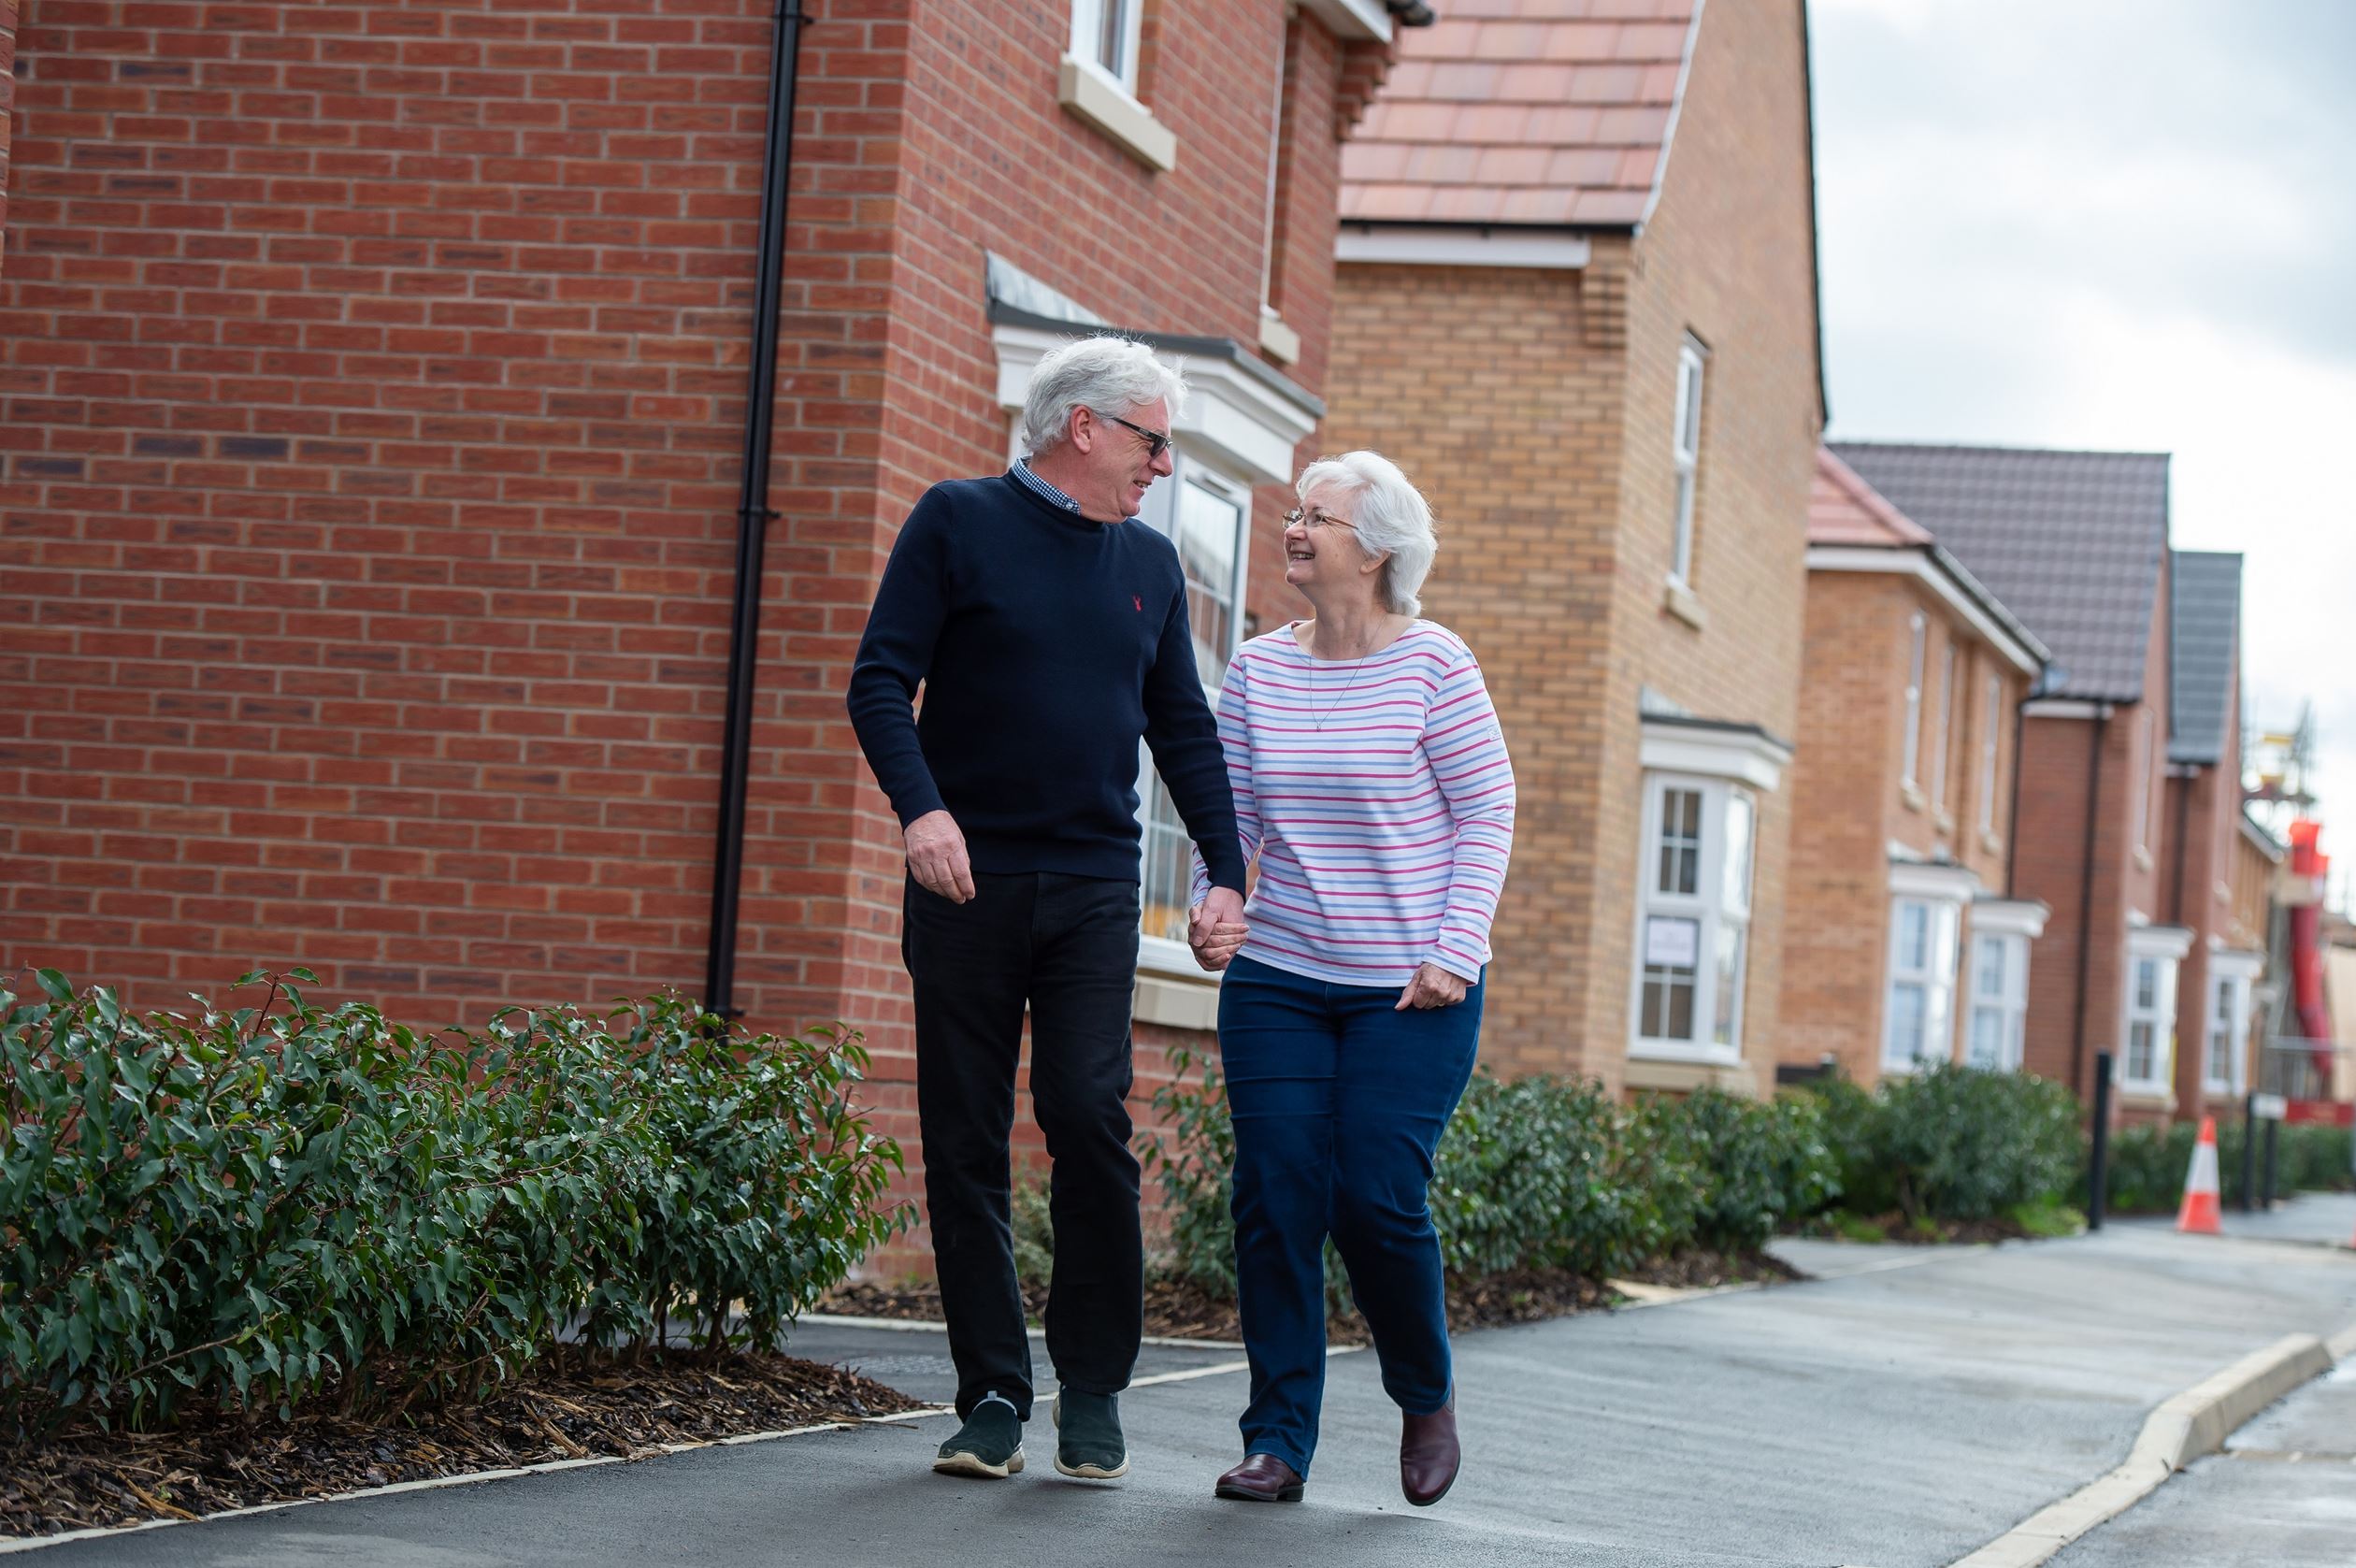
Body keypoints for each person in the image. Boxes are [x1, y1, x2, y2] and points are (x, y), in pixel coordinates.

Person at [846, 335, 1249, 1485]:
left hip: (1092, 889)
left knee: (1087, 1116)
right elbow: (879, 680)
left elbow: (1184, 729)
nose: (1163, 465)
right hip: (964, 883)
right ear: (1085, 427)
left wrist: (1224, 872)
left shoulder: (1151, 564)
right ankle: (990, 1395)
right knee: (965, 1136)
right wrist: (922, 812)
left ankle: (1094, 1388)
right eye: (1153, 441)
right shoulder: (956, 521)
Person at [1186, 451, 1515, 1509]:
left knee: (1375, 1195)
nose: (1294, 527)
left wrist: (1456, 946)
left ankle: (1425, 1393)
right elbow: (1233, 814)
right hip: (1280, 976)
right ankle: (1277, 1440)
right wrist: (1218, 897)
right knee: (1275, 1198)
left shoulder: (1435, 664)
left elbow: (1486, 811)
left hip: (1411, 989)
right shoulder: (1258, 670)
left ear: (1375, 552)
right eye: (1295, 512)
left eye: (1317, 518)